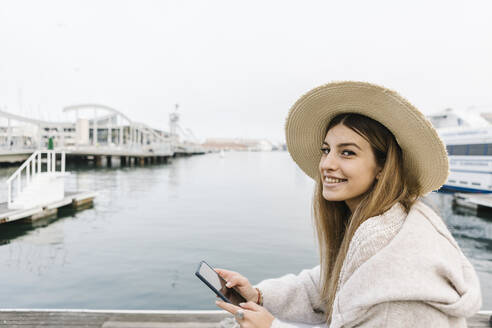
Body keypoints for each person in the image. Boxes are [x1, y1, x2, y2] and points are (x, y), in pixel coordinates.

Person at [214, 81, 482, 327]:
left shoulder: (392, 254)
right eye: (326, 150)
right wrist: (260, 295)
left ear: (382, 166)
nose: (327, 164)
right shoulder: (386, 223)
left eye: (347, 152)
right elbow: (331, 283)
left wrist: (272, 326)